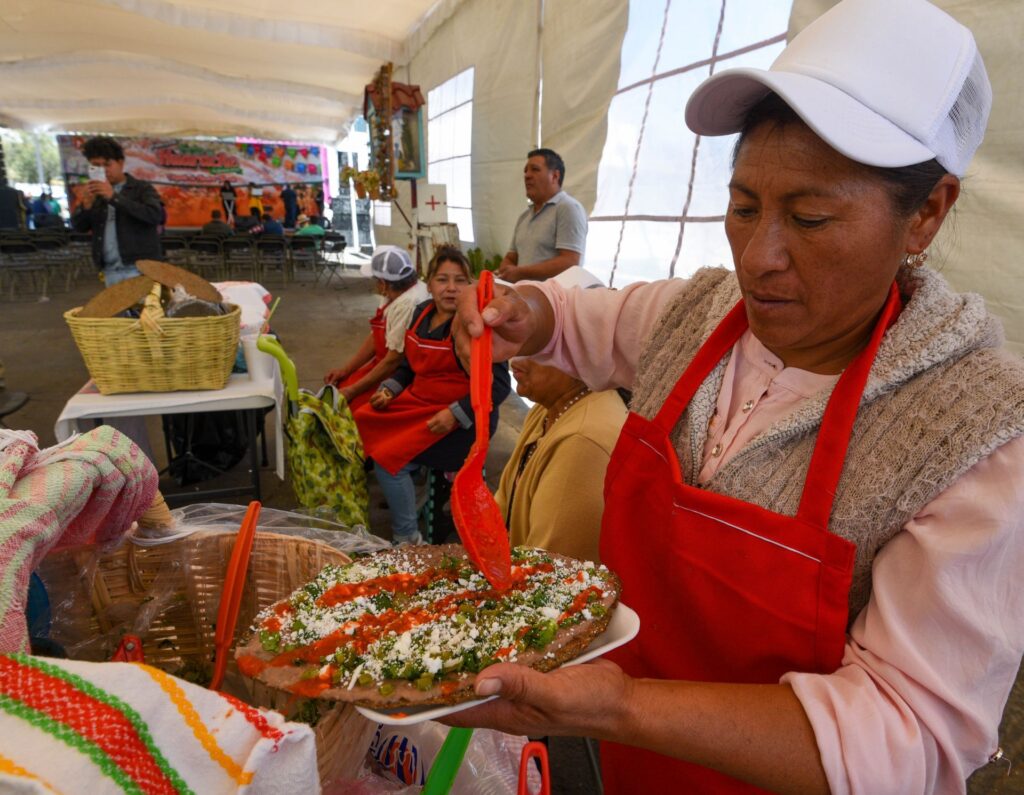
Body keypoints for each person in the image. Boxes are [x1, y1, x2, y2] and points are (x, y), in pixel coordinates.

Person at [449, 1, 1024, 793]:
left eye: (810, 217)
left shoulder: (971, 431)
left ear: (926, 213)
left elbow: (910, 735)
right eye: (744, 206)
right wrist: (524, 313)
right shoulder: (701, 314)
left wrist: (624, 705)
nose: (760, 258)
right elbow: (583, 320)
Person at [353, 248, 511, 546]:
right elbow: (407, 367)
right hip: (421, 405)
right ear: (429, 284)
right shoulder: (421, 312)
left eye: (460, 280)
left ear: (470, 286)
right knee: (363, 418)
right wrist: (390, 389)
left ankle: (408, 537)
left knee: (387, 461)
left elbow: (499, 386)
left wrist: (456, 413)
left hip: (464, 423)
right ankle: (413, 498)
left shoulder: (477, 325)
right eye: (442, 279)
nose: (451, 288)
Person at [495, 358, 626, 563]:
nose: (515, 357)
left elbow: (547, 572)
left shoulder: (582, 441)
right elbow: (501, 506)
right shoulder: (546, 409)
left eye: (536, 345)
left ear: (578, 351)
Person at [323, 245, 429, 409]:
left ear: (384, 283)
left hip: (400, 373)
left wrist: (352, 391)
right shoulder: (392, 294)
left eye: (376, 280)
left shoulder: (408, 304)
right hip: (384, 363)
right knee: (343, 383)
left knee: (354, 406)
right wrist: (345, 370)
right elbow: (376, 336)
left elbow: (393, 361)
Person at [71, 136, 162, 286]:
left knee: (144, 309)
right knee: (115, 310)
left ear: (120, 163)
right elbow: (79, 227)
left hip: (141, 269)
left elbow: (154, 215)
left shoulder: (141, 188)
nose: (103, 170)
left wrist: (113, 197)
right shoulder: (95, 194)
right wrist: (86, 206)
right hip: (109, 270)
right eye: (96, 165)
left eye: (107, 164)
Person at [496, 148, 588, 283]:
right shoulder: (524, 217)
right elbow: (511, 258)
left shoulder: (568, 208)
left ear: (555, 176)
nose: (527, 175)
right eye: (526, 171)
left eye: (535, 169)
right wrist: (505, 273)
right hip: (524, 296)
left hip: (553, 302)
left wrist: (520, 273)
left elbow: (570, 261)